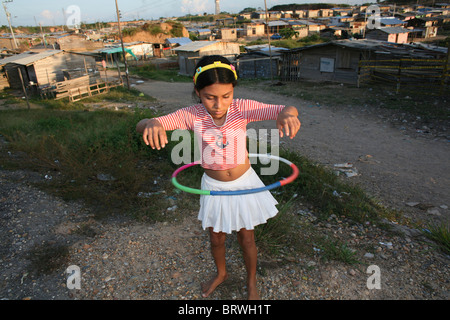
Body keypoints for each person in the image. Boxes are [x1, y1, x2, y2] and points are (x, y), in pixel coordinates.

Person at [136, 55, 300, 300]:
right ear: (198, 92)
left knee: (247, 237)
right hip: (213, 186)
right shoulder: (192, 115)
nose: (218, 104)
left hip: (244, 182)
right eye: (210, 97)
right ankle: (221, 273)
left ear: (233, 91)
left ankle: (251, 280)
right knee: (216, 237)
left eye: (226, 96)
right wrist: (151, 123)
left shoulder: (241, 108)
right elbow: (146, 123)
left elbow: (284, 108)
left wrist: (288, 115)